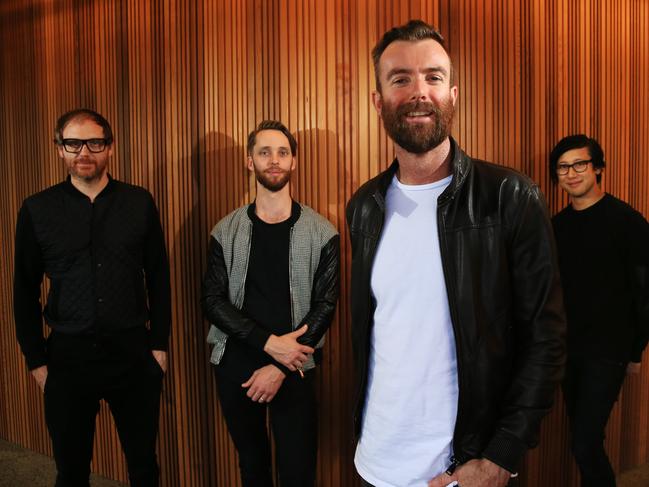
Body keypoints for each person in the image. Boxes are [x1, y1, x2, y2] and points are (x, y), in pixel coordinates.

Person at [345, 20, 566, 487]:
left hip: (462, 467)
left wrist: (501, 455)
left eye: (433, 76)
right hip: (375, 459)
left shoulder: (509, 197)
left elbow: (546, 338)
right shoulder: (364, 207)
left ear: (453, 93)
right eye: (400, 78)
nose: (419, 91)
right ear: (378, 100)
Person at [13, 108, 171, 487]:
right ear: (60, 150)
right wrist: (36, 360)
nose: (84, 152)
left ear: (110, 148)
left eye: (94, 142)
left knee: (144, 467)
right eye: (73, 143)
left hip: (133, 354)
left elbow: (160, 278)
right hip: (67, 357)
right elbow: (23, 289)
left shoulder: (139, 202)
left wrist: (159, 346)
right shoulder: (37, 209)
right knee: (71, 471)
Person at [201, 120, 339, 487]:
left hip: (295, 366)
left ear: (294, 161)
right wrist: (267, 343)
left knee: (298, 473)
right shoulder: (224, 230)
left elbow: (325, 305)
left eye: (282, 152)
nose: (274, 160)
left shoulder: (323, 232)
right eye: (264, 152)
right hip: (236, 366)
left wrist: (281, 362)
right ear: (250, 162)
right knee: (252, 468)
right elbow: (212, 301)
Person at [550, 134, 649, 487]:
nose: (571, 173)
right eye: (563, 167)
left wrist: (636, 349)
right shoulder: (555, 227)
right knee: (584, 437)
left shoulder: (628, 222)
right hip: (567, 350)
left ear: (598, 169)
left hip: (608, 351)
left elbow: (645, 292)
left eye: (580, 164)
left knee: (585, 442)